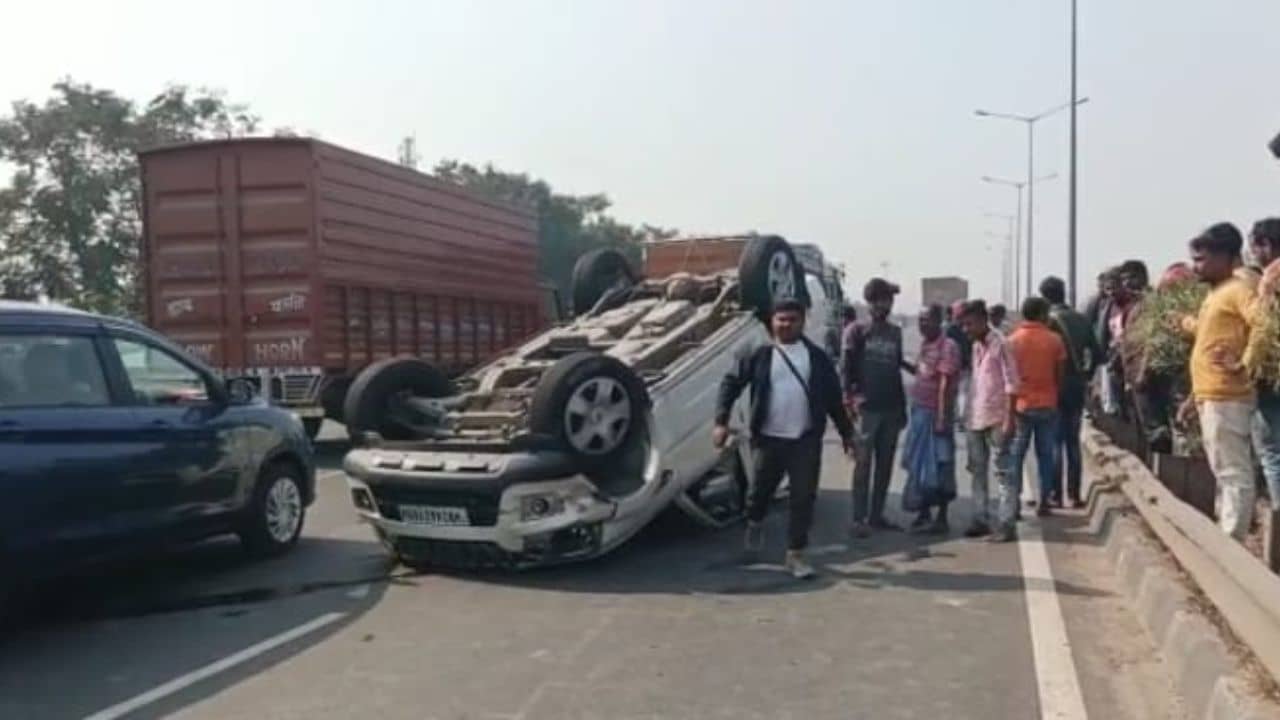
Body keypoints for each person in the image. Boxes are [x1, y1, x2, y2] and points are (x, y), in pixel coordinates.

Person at [714, 298, 855, 578]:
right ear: (772, 321)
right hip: (768, 440)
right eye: (781, 319)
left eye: (792, 319)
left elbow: (833, 401)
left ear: (803, 321)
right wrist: (720, 421)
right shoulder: (760, 354)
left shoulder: (816, 358)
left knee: (803, 498)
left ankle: (796, 554)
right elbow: (730, 384)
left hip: (804, 440)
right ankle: (755, 525)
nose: (786, 324)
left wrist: (847, 436)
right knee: (759, 495)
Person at [1177, 223, 1263, 541]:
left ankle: (1233, 540)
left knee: (1232, 471)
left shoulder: (1239, 290)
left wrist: (1245, 364)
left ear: (1227, 256)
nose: (1196, 266)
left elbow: (1264, 323)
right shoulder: (1219, 292)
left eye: (1201, 259)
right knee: (1222, 469)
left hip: (1228, 395)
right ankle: (1225, 533)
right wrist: (1186, 323)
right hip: (1211, 393)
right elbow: (1208, 333)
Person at [995, 297, 1067, 541]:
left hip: (1021, 406)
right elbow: (1060, 375)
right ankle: (1045, 500)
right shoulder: (1054, 340)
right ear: (1042, 314)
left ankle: (1012, 505)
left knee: (1016, 456)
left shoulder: (1012, 341)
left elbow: (1007, 378)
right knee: (1046, 454)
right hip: (1047, 404)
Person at [843, 278, 909, 537]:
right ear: (870, 302)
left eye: (889, 300)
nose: (886, 304)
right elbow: (846, 369)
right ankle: (858, 519)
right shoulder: (856, 331)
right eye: (882, 299)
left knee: (885, 465)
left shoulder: (895, 333)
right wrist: (848, 401)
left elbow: (896, 370)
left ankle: (877, 515)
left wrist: (903, 408)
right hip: (866, 409)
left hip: (891, 408)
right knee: (862, 465)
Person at [1040, 276, 1101, 508]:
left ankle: (1056, 495)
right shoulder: (1081, 319)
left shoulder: (1047, 322)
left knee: (1055, 442)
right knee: (1073, 442)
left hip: (1053, 387)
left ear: (1044, 296)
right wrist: (1086, 375)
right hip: (1075, 387)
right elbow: (1097, 353)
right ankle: (1074, 494)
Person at [900, 304, 961, 534]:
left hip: (936, 414)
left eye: (927, 320)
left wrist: (942, 418)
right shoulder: (926, 345)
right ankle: (924, 513)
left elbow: (945, 384)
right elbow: (920, 372)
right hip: (919, 412)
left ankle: (942, 517)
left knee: (941, 466)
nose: (922, 324)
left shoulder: (948, 346)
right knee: (919, 467)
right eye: (920, 320)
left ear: (939, 321)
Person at [960, 300, 1018, 538]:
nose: (966, 329)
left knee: (1003, 473)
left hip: (996, 417)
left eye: (970, 324)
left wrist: (1009, 419)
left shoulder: (1001, 344)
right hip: (976, 417)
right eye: (964, 325)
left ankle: (1006, 523)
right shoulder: (976, 347)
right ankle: (979, 518)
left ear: (984, 321)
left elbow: (1012, 383)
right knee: (977, 471)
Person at [1249, 219, 1280, 510]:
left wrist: (1245, 365)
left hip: (1273, 374)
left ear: (1266, 245)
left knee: (1271, 451)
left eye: (1254, 247)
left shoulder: (1271, 277)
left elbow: (1262, 330)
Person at [945, 300, 973, 429]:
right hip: (964, 366)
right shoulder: (969, 328)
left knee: (955, 393)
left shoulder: (949, 329)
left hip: (954, 366)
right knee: (962, 393)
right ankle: (960, 419)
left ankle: (955, 418)